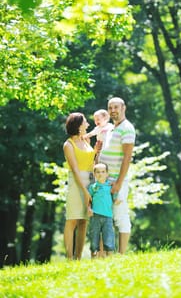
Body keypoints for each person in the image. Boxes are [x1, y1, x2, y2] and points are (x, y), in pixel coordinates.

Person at [99, 97, 136, 254]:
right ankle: (103, 255)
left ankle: (121, 255)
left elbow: (127, 157)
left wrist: (119, 183)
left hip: (116, 181)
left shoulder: (127, 128)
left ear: (123, 108)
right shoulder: (111, 129)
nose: (113, 110)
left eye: (116, 107)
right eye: (110, 107)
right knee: (104, 217)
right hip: (104, 181)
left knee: (120, 216)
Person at [63, 112, 98, 260]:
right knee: (72, 220)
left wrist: (97, 151)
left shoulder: (86, 141)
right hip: (77, 183)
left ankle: (78, 258)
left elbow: (91, 163)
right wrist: (85, 191)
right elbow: (76, 169)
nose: (88, 125)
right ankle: (69, 259)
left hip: (90, 181)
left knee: (84, 220)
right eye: (85, 122)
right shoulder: (68, 144)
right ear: (78, 125)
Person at [88, 163, 116, 258]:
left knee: (108, 238)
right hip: (95, 216)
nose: (100, 174)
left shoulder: (110, 185)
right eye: (98, 172)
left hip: (108, 216)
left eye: (103, 172)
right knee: (94, 238)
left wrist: (116, 199)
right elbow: (89, 199)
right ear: (94, 174)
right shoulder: (93, 187)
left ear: (107, 174)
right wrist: (88, 208)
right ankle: (93, 258)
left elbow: (115, 195)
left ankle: (110, 258)